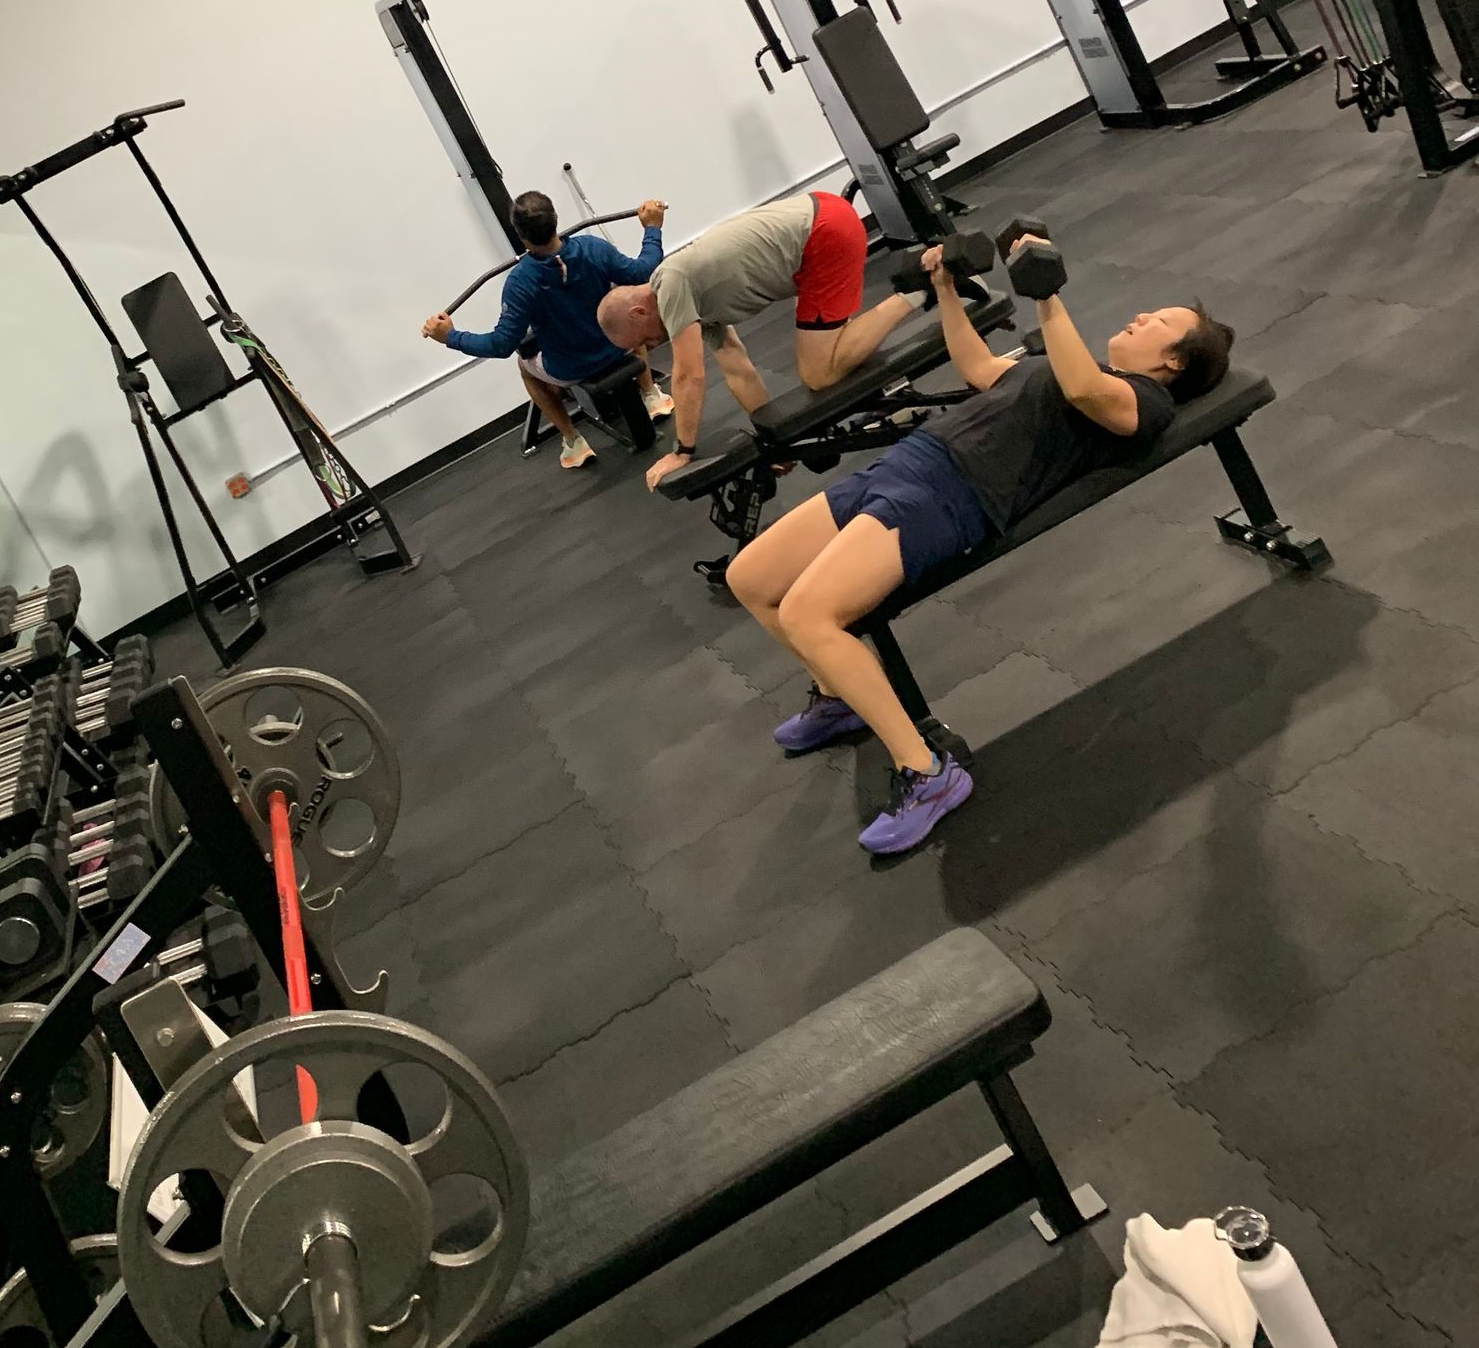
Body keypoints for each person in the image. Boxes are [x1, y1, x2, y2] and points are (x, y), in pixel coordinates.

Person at [726, 233, 1232, 856]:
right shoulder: (1082, 367)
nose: (1139, 316)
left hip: (954, 495)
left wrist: (1048, 297)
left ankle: (929, 774)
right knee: (749, 577)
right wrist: (945, 292)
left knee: (809, 612)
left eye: (1157, 321)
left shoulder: (1143, 402)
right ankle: (838, 698)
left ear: (1174, 362)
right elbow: (980, 369)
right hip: (908, 463)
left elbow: (1083, 394)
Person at [594, 190, 925, 493]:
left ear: (638, 312)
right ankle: (890, 401)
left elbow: (688, 374)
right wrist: (783, 436)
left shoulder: (671, 283)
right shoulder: (690, 295)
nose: (653, 345)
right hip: (822, 219)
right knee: (830, 355)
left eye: (646, 341)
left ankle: (919, 287)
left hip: (824, 235)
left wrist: (683, 451)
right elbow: (737, 369)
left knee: (819, 373)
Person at [423, 194, 673, 470]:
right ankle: (652, 396)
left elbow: (501, 345)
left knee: (525, 366)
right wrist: (652, 228)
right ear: (555, 220)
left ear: (520, 234)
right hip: (617, 346)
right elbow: (644, 271)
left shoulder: (520, 282)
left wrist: (450, 337)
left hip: (570, 368)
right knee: (625, 320)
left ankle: (573, 441)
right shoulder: (592, 248)